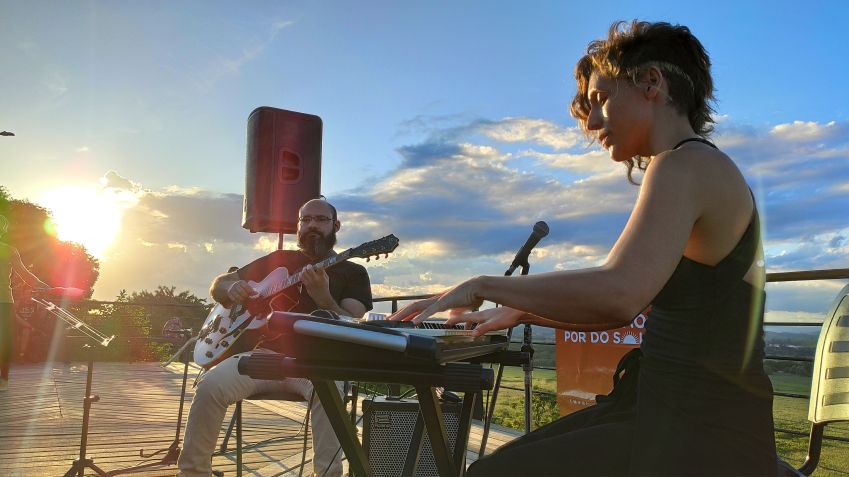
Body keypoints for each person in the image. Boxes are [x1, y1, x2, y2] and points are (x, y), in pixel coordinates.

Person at [390, 20, 777, 476]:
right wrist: (524, 312)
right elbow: (632, 301)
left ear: (652, 82)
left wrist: (481, 286)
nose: (592, 123)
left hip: (697, 435)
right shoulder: (698, 165)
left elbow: (618, 294)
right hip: (678, 415)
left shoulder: (683, 166)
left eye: (601, 99)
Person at [177, 198, 373, 477]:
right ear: (298, 226)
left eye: (320, 219)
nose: (312, 225)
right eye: (305, 220)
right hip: (262, 355)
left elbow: (352, 324)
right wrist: (232, 288)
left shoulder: (353, 272)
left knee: (330, 395)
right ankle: (192, 473)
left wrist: (324, 299)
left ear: (336, 226)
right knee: (209, 386)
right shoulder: (279, 259)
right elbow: (219, 284)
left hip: (318, 363)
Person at [1, 214, 50, 391]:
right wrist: (45, 287)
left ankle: (3, 379)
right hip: (4, 301)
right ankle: (3, 380)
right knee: (4, 341)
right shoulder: (9, 250)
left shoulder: (9, 250)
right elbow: (25, 274)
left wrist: (44, 286)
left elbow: (24, 274)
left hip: (4, 301)